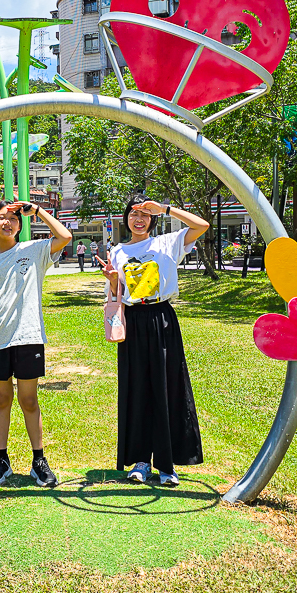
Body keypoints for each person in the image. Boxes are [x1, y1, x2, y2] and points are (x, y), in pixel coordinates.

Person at [96, 195, 210, 486]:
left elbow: (202, 225)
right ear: (126, 218)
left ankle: (167, 464)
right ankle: (141, 461)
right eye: (135, 214)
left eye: (146, 214)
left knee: (167, 387)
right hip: (133, 322)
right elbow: (119, 290)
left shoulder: (167, 243)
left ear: (153, 219)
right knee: (138, 389)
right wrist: (111, 279)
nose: (140, 219)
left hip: (162, 320)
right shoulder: (118, 250)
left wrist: (167, 209)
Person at [0, 200, 72, 488]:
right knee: (2, 399)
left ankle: (39, 461)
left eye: (13, 218)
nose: (7, 222)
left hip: (28, 338)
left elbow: (65, 237)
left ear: (20, 223)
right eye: (1, 218)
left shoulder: (33, 250)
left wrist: (37, 211)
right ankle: (2, 460)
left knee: (28, 400)